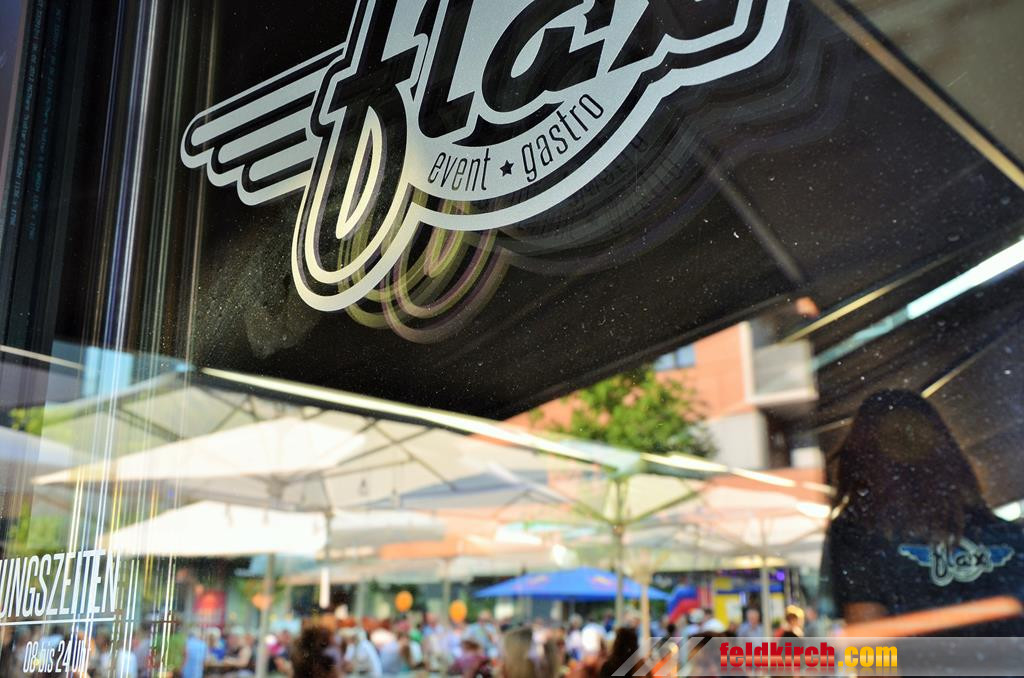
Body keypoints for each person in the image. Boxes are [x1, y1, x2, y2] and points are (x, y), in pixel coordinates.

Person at [823, 389, 1024, 634]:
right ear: (947, 451)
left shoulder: (859, 536)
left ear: (862, 457)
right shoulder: (1007, 536)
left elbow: (870, 643)